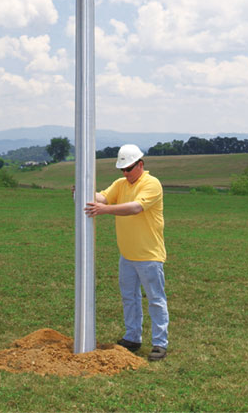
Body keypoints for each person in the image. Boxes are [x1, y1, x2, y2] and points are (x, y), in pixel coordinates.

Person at [84, 144, 169, 361]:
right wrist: (84, 191)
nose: (125, 173)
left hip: (149, 256)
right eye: (122, 169)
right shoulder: (121, 184)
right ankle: (132, 337)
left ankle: (160, 343)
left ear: (140, 165)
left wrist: (104, 211)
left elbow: (135, 208)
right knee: (129, 298)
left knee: (155, 299)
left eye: (129, 168)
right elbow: (102, 197)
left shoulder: (152, 184)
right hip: (127, 256)